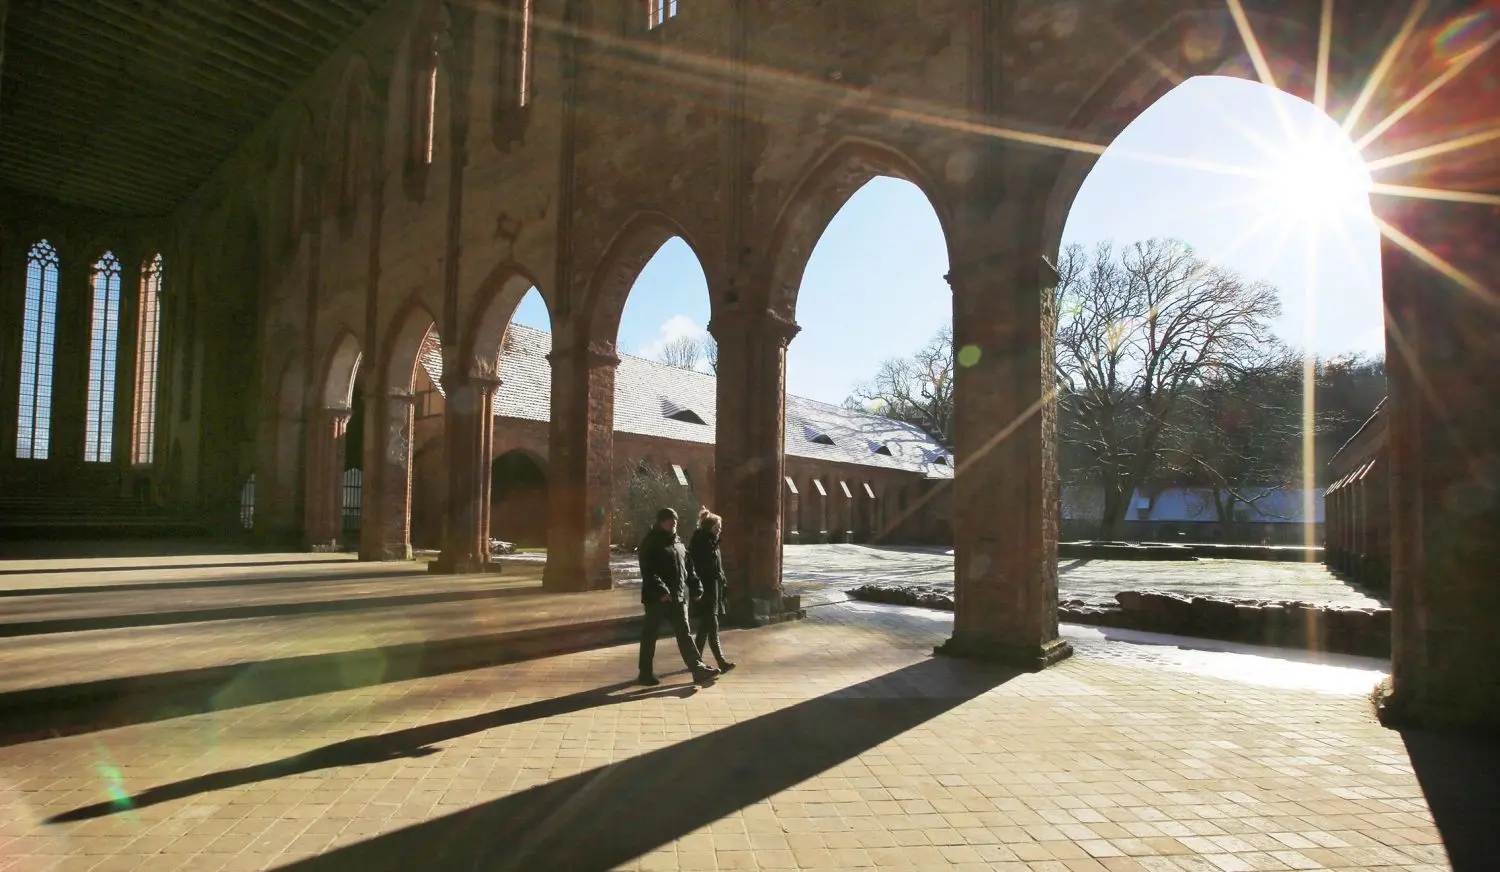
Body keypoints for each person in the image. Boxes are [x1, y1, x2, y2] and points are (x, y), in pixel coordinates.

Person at [636, 507, 718, 686]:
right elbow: (648, 570)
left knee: (684, 635)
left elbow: (689, 568)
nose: (673, 522)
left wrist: (696, 587)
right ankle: (645, 673)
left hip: (678, 598)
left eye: (675, 519)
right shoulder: (651, 542)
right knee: (650, 636)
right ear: (660, 522)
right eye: (669, 519)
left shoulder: (678, 543)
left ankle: (697, 669)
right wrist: (662, 591)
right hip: (656, 599)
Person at [688, 507, 736, 673]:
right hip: (706, 590)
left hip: (714, 590)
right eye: (718, 526)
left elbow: (717, 569)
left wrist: (722, 582)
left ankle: (695, 660)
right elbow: (702, 569)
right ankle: (721, 662)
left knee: (704, 628)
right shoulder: (702, 543)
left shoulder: (712, 542)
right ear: (710, 527)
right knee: (712, 627)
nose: (720, 529)